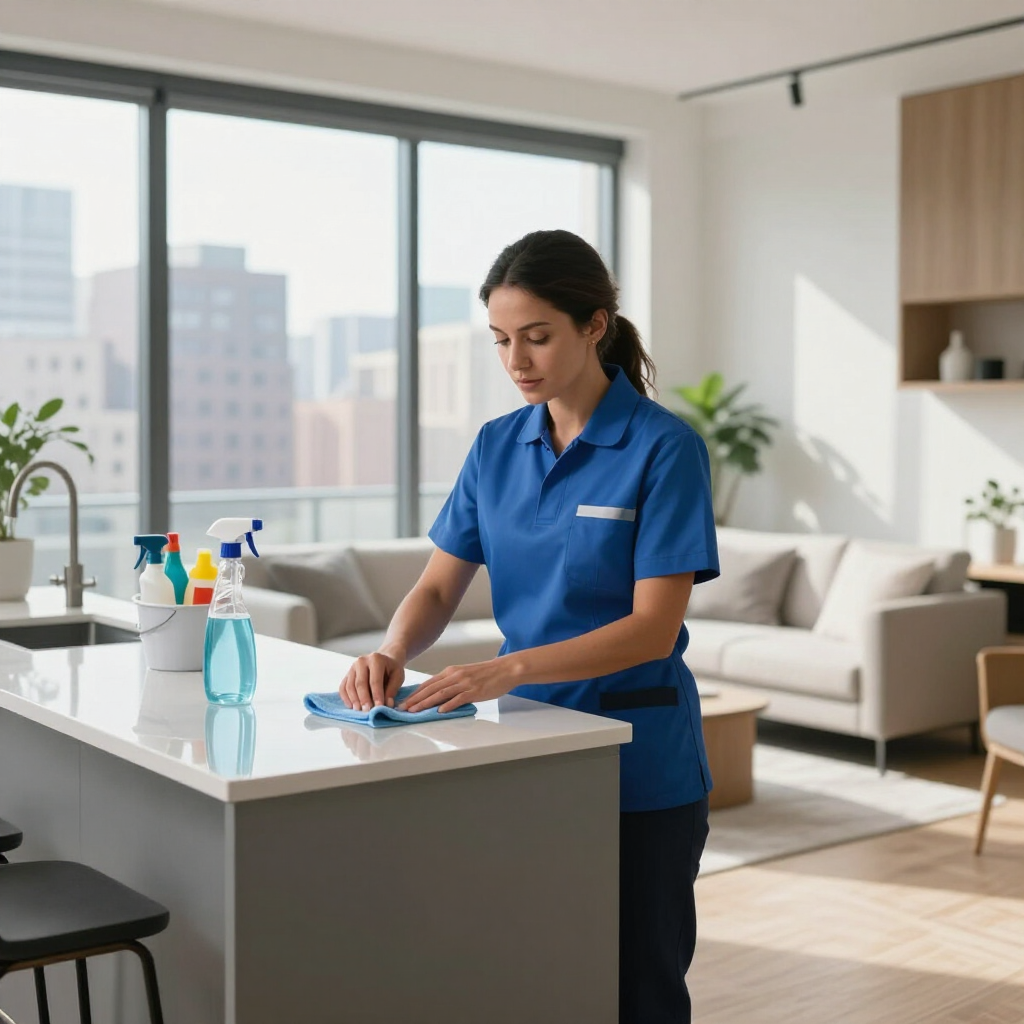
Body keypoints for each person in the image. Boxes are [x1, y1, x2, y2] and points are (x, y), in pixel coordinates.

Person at [339, 228, 719, 1023]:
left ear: (595, 325)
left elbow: (653, 628)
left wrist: (503, 669)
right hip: (527, 750)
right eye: (502, 340)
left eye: (538, 336)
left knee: (640, 986)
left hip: (638, 763)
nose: (518, 360)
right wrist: (392, 648)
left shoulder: (662, 449)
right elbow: (440, 585)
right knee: (537, 966)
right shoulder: (496, 446)